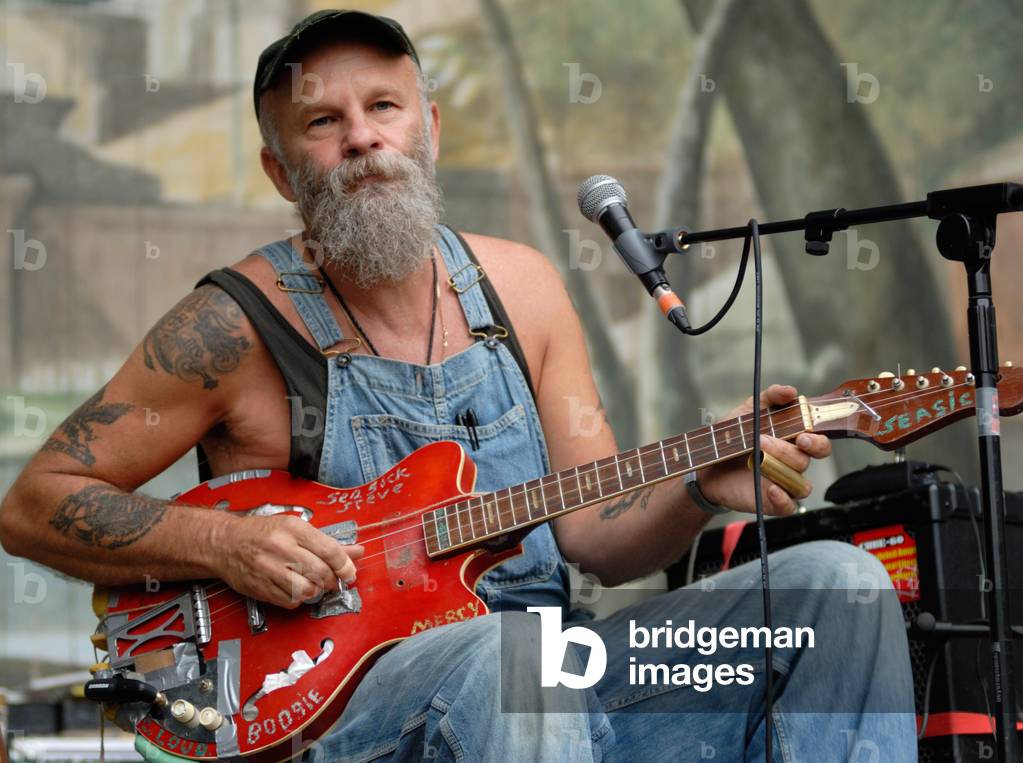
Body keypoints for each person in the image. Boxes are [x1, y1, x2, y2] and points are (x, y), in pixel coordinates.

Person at [0, 10, 917, 762]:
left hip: (564, 674)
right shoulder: (233, 324)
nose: (362, 137)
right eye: (323, 122)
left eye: (385, 107)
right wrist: (226, 543)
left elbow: (595, 536)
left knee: (833, 585)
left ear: (427, 130)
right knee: (516, 661)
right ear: (282, 171)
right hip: (350, 718)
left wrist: (692, 489)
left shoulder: (522, 289)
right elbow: (35, 503)